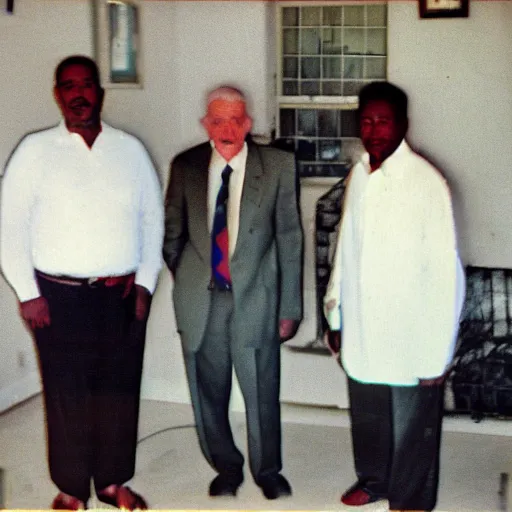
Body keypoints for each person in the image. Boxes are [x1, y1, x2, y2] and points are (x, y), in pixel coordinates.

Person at [0, 55, 164, 510]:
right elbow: (8, 226)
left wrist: (146, 284)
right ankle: (72, 488)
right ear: (57, 94)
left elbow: (153, 221)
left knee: (118, 390)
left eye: (87, 84)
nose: (79, 94)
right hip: (58, 297)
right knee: (66, 393)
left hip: (120, 295)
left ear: (100, 92)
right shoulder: (34, 151)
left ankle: (112, 482)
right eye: (68, 85)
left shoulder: (130, 149)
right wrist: (28, 293)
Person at [324, 81, 465, 512]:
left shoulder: (426, 183)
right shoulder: (359, 175)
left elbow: (447, 275)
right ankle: (374, 479)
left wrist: (437, 354)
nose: (375, 130)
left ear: (403, 123)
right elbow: (344, 248)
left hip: (410, 330)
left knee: (412, 427)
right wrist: (336, 315)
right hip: (364, 325)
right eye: (367, 121)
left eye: (384, 121)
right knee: (368, 413)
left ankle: (410, 502)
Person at [163, 86, 303, 500]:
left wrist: (290, 306)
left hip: (256, 298)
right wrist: (193, 278)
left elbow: (290, 238)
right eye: (218, 120)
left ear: (248, 123)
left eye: (235, 120)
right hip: (203, 299)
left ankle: (267, 470)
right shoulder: (186, 165)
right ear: (207, 124)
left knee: (261, 388)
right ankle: (226, 467)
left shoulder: (277, 165)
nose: (227, 129)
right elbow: (172, 236)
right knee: (208, 391)